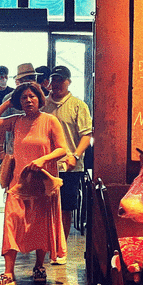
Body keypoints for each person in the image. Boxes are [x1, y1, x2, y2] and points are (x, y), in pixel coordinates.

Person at [0, 81, 67, 285]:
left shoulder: (50, 120)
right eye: (23, 97)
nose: (28, 100)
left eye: (32, 96)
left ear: (39, 99)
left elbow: (62, 149)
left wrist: (43, 159)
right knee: (12, 222)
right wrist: (8, 103)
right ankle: (8, 273)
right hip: (18, 183)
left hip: (42, 183)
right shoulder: (15, 121)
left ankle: (39, 266)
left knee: (40, 226)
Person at [41, 65, 93, 257]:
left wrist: (76, 155)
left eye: (61, 80)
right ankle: (45, 245)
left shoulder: (78, 105)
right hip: (45, 165)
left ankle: (60, 248)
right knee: (44, 206)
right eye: (54, 80)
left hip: (70, 166)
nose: (57, 84)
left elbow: (86, 135)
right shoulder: (43, 104)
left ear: (68, 82)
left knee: (65, 207)